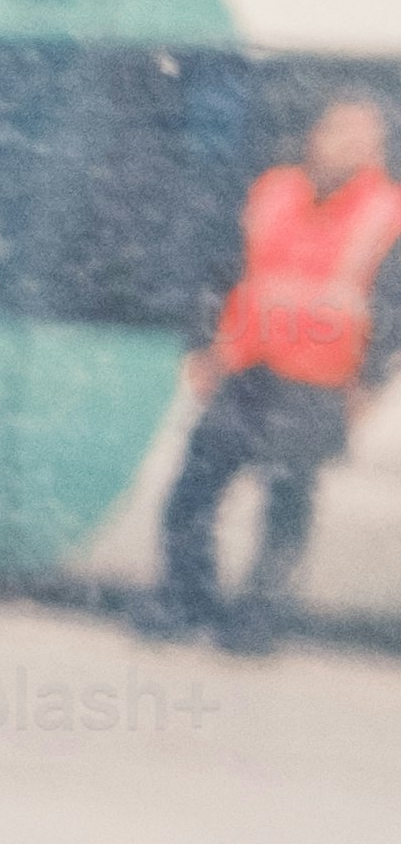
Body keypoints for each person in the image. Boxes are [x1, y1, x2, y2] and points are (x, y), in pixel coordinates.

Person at [158, 92, 399, 657]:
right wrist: (203, 344)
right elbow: (222, 269)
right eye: (339, 129)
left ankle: (254, 623)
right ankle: (185, 602)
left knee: (286, 507)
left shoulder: (385, 211)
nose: (348, 143)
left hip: (319, 383)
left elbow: (391, 305)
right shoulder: (273, 191)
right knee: (193, 493)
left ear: (379, 149)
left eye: (362, 136)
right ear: (316, 133)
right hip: (246, 367)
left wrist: (370, 381)